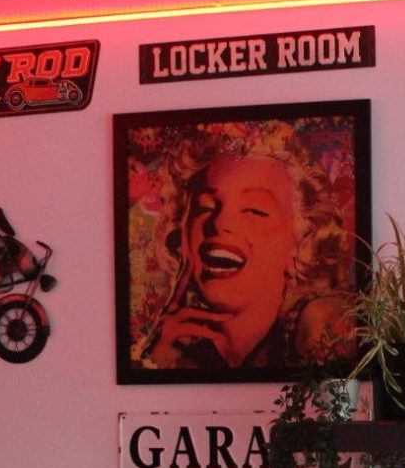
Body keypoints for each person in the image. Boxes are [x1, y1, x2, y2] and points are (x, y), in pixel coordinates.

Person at [143, 151, 354, 372]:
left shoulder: (318, 323)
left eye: (255, 211)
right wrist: (155, 361)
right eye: (205, 207)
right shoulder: (179, 346)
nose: (221, 223)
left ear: (304, 240)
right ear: (182, 230)